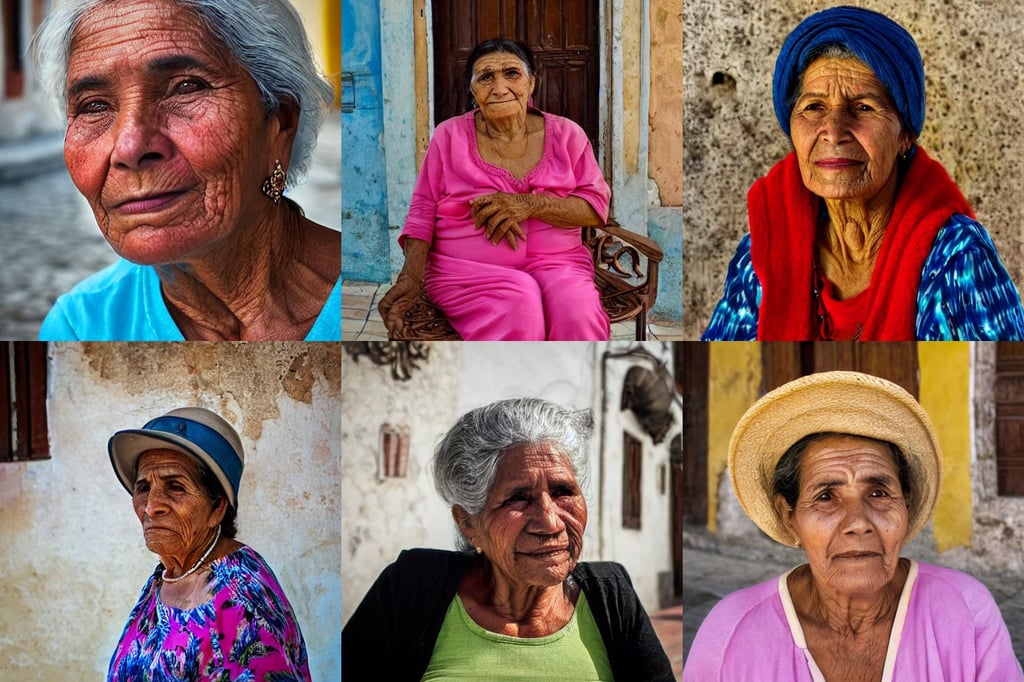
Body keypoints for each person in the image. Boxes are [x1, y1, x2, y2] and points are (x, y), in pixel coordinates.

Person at [701, 6, 1024, 341]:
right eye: (814, 107)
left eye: (864, 108)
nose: (834, 131)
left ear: (905, 135)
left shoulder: (956, 257)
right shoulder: (763, 252)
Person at [684, 371, 1024, 681]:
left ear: (905, 504)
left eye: (878, 493)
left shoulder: (966, 612)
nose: (858, 522)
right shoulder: (730, 633)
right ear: (790, 518)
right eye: (826, 497)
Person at [33, 0, 340, 341]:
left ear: (280, 124)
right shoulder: (81, 328)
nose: (130, 148)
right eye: (94, 106)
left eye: (186, 87)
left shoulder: (389, 301)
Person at [342, 398, 673, 680]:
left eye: (563, 492)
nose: (550, 521)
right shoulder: (410, 588)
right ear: (468, 523)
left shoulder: (612, 596)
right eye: (518, 499)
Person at [379, 39, 612, 340]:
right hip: (467, 271)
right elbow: (423, 210)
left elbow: (595, 208)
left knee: (578, 313)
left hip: (559, 264)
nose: (500, 87)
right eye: (486, 77)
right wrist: (410, 276)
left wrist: (529, 204)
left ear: (531, 83)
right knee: (519, 304)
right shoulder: (448, 136)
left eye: (511, 74)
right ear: (473, 92)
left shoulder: (568, 134)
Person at [106, 407, 310, 680]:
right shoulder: (169, 575)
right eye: (143, 487)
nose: (151, 506)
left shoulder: (242, 600)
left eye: (175, 487)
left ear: (216, 508)